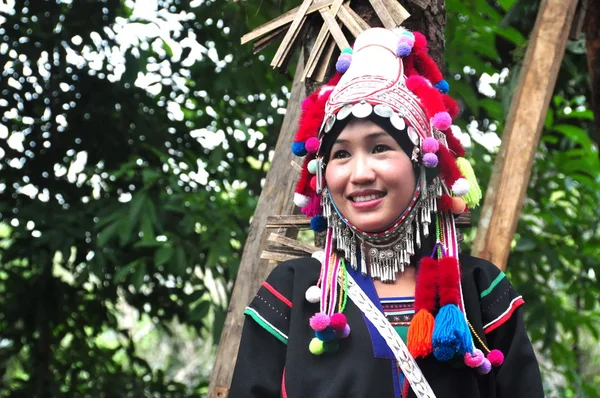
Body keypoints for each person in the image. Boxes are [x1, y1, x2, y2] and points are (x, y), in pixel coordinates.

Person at [230, 27, 544, 398]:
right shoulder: (292, 290)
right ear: (323, 175)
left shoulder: (479, 288)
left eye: (379, 147)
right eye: (341, 154)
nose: (360, 174)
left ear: (423, 165)